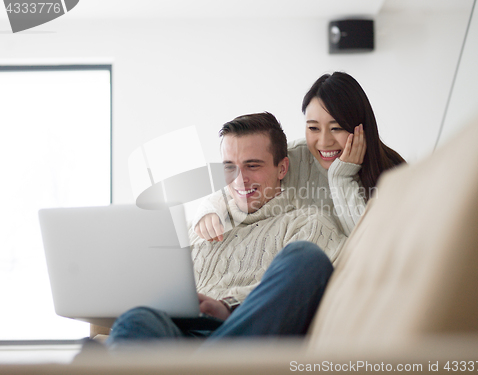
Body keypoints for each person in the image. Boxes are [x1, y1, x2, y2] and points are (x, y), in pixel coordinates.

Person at [106, 112, 346, 345]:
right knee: (135, 321)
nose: (240, 180)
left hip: (241, 331)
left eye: (253, 166)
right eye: (229, 167)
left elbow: (307, 287)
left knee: (308, 259)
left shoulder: (307, 223)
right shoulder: (197, 226)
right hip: (176, 337)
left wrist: (228, 306)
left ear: (282, 168)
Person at [194, 71, 405, 242]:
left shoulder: (393, 174)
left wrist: (342, 177)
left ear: (361, 128)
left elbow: (368, 245)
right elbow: (236, 185)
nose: (324, 142)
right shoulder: (295, 158)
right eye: (313, 128)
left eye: (336, 128)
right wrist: (209, 211)